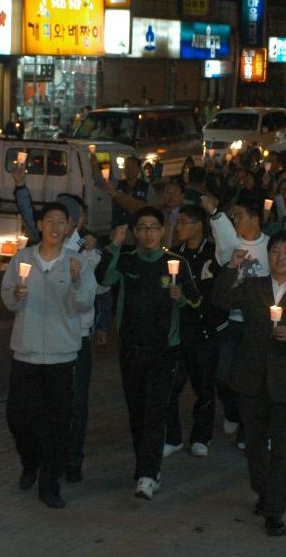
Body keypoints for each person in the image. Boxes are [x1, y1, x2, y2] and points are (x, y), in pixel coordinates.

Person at [212, 232, 286, 537]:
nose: (280, 257)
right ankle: (263, 491)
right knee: (255, 447)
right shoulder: (253, 288)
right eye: (275, 251)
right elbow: (220, 299)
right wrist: (232, 268)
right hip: (252, 379)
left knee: (284, 451)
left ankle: (276, 510)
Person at [95, 207, 201, 501]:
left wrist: (180, 299)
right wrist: (114, 244)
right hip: (130, 348)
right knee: (137, 413)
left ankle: (147, 474)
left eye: (154, 228)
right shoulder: (127, 261)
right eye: (142, 228)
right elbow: (102, 279)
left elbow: (195, 300)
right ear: (134, 232)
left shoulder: (176, 262)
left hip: (164, 350)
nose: (148, 233)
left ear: (162, 231)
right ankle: (146, 468)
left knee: (155, 410)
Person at [0, 203, 97, 509]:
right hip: (26, 354)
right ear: (40, 224)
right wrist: (15, 296)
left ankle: (49, 483)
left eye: (61, 222)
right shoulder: (22, 258)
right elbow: (8, 298)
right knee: (19, 418)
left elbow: (84, 305)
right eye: (50, 221)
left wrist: (77, 281)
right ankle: (31, 462)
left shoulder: (76, 262)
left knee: (59, 422)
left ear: (69, 227)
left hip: (61, 356)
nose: (55, 228)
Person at [203, 193, 272, 450]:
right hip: (233, 320)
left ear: (255, 219)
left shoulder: (270, 245)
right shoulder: (232, 245)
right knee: (223, 375)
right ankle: (232, 411)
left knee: (253, 378)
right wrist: (215, 212)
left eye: (240, 216)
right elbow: (223, 249)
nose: (236, 220)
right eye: (234, 217)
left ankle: (247, 427)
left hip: (257, 323)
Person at [163, 203, 224, 459]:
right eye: (178, 222)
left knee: (204, 385)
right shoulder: (173, 255)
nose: (179, 227)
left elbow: (215, 294)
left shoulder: (214, 254)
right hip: (179, 329)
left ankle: (201, 435)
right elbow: (164, 283)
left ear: (200, 225)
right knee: (171, 385)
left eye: (184, 222)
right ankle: (172, 436)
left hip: (204, 329)